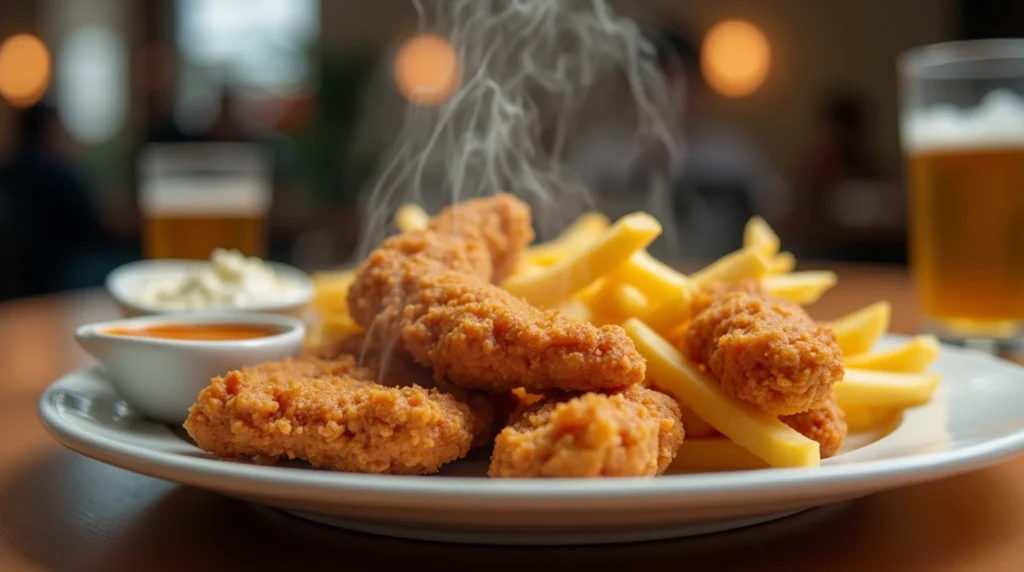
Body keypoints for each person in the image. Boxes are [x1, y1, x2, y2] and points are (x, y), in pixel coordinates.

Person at [570, 25, 786, 261]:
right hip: (620, 286)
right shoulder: (599, 155)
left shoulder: (733, 156)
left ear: (698, 87)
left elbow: (777, 222)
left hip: (720, 285)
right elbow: (569, 231)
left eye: (675, 83)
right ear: (628, 89)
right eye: (650, 84)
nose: (663, 98)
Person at [0, 102, 106, 299]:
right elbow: (94, 228)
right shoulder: (59, 172)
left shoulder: (7, 169)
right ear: (49, 129)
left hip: (16, 282)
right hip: (63, 274)